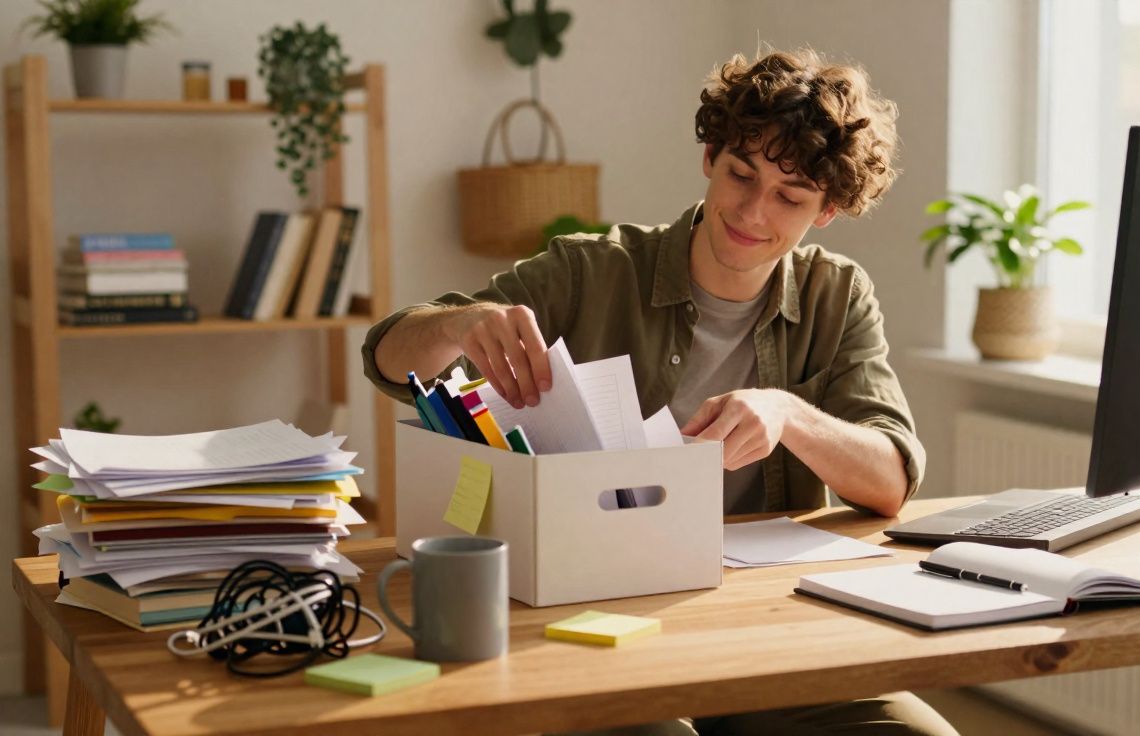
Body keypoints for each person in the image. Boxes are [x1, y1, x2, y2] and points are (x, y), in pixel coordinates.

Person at [363, 49, 957, 736]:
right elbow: (385, 355)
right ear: (710, 156)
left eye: (790, 198)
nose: (753, 210)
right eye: (741, 173)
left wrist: (787, 413)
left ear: (825, 211)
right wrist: (461, 326)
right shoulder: (590, 271)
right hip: (595, 614)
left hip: (761, 624)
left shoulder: (838, 295)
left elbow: (890, 480)